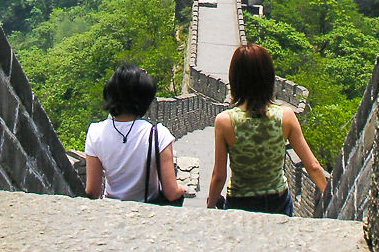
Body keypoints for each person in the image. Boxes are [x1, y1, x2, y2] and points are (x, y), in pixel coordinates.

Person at [206, 43, 327, 214]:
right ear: (269, 78)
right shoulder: (285, 116)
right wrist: (330, 198)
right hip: (278, 202)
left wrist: (210, 207)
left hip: (240, 203)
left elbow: (219, 176)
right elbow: (313, 166)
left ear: (235, 79)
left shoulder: (225, 121)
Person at [84, 63, 185, 203]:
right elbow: (172, 193)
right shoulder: (157, 134)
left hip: (110, 211)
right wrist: (182, 188)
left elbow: (92, 192)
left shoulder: (95, 132)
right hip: (147, 211)